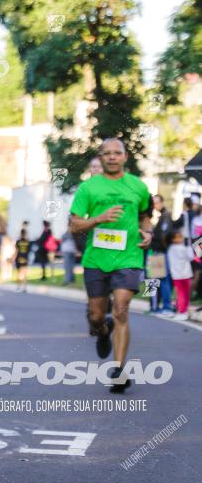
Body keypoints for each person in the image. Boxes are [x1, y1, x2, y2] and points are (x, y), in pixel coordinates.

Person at [70, 138, 153, 393]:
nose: (113, 157)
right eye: (107, 153)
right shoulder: (88, 188)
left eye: (117, 153)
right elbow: (74, 224)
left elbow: (145, 217)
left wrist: (148, 234)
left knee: (121, 311)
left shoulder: (138, 187)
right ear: (101, 157)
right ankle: (102, 331)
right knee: (96, 316)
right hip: (96, 260)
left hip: (128, 258)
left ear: (125, 157)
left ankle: (119, 370)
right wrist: (99, 219)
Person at [147, 194, 173, 316]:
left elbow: (164, 235)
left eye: (156, 202)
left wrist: (160, 246)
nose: (155, 205)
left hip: (158, 251)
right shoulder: (160, 216)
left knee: (158, 280)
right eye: (153, 203)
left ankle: (163, 307)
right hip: (156, 251)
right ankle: (154, 306)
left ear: (162, 202)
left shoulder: (165, 216)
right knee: (155, 279)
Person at [166, 229, 194, 321]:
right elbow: (191, 257)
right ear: (173, 239)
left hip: (177, 275)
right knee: (184, 294)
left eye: (181, 236)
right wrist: (189, 247)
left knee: (182, 293)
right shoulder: (182, 248)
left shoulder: (170, 249)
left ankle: (182, 310)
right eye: (178, 237)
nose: (181, 238)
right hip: (184, 275)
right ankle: (182, 311)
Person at [12, 227, 31, 291]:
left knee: (19, 273)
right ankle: (24, 287)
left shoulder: (18, 241)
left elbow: (16, 251)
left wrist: (13, 258)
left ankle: (18, 286)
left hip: (19, 258)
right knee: (24, 273)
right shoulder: (28, 242)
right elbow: (29, 251)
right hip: (25, 258)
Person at [60, 218, 78, 285]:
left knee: (69, 266)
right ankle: (69, 279)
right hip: (68, 250)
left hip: (70, 250)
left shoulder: (72, 234)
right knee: (68, 266)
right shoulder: (68, 234)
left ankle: (68, 280)